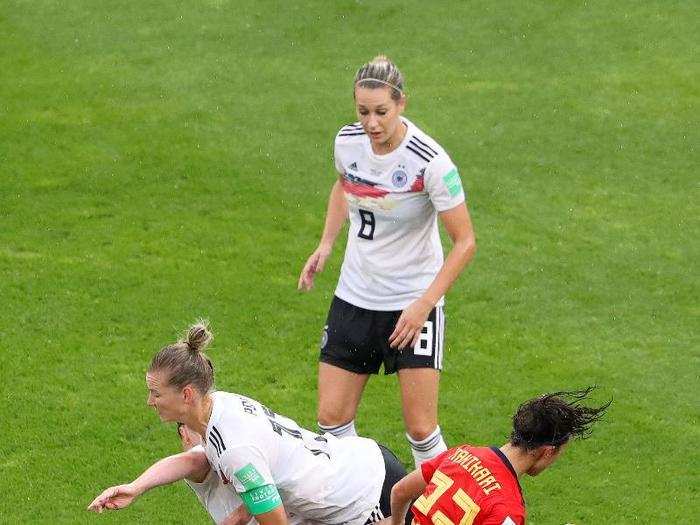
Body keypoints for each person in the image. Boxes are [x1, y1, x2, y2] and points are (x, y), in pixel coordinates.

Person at [298, 54, 477, 467]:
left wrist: (423, 305)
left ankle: (442, 509)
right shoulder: (348, 141)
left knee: (420, 428)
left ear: (401, 105)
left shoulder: (429, 161)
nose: (372, 123)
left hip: (411, 303)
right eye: (363, 112)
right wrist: (326, 243)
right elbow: (344, 186)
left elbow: (465, 241)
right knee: (332, 419)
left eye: (381, 112)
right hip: (355, 296)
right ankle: (358, 505)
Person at [87, 321, 409, 524]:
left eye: (155, 393)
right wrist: (136, 487)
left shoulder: (234, 449)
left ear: (186, 394)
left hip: (367, 497)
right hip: (361, 462)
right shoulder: (221, 408)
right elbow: (193, 460)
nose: (149, 401)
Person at [388, 388, 611, 525]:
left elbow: (399, 491)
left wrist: (397, 523)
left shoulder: (462, 454)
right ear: (549, 451)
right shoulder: (507, 509)